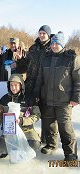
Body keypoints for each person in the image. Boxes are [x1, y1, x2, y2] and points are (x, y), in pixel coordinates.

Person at [34, 32, 80, 161]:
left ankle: (70, 154)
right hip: (47, 99)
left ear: (62, 44)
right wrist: (37, 94)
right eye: (53, 43)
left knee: (65, 128)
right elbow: (39, 78)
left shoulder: (71, 58)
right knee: (49, 125)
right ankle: (51, 144)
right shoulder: (46, 58)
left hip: (63, 100)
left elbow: (78, 79)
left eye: (57, 43)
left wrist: (76, 97)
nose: (54, 46)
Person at [0, 74, 41, 158]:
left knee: (35, 144)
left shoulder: (29, 98)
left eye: (16, 85)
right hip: (9, 132)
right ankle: (11, 146)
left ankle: (21, 147)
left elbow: (36, 116)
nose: (13, 88)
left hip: (26, 130)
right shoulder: (4, 99)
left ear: (21, 85)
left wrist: (22, 120)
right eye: (11, 85)